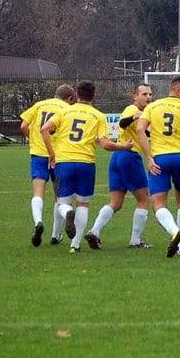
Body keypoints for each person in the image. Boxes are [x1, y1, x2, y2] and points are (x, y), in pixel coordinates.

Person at [40, 81, 132, 253]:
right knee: (83, 204)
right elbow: (104, 144)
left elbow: (44, 129)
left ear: (77, 95)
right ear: (94, 96)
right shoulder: (98, 116)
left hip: (64, 161)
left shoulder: (64, 111)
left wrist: (51, 154)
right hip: (86, 163)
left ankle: (68, 212)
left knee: (62, 202)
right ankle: (75, 244)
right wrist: (123, 146)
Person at [84, 83, 154, 250]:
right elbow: (122, 123)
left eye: (150, 94)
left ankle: (94, 231)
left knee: (116, 202)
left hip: (117, 157)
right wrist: (135, 117)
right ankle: (135, 240)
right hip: (129, 156)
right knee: (144, 200)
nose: (148, 97)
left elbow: (144, 133)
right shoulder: (132, 109)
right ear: (134, 96)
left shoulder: (145, 114)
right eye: (144, 94)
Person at [137, 76, 180, 258]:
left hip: (159, 159)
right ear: (178, 91)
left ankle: (174, 233)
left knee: (158, 203)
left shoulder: (152, 107)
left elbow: (140, 130)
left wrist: (149, 157)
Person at [20, 84, 75, 247]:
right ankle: (56, 234)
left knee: (38, 193)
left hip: (38, 154)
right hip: (58, 156)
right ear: (70, 98)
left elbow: (23, 125)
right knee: (60, 197)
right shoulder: (67, 109)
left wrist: (32, 138)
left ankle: (38, 222)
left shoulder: (39, 105)